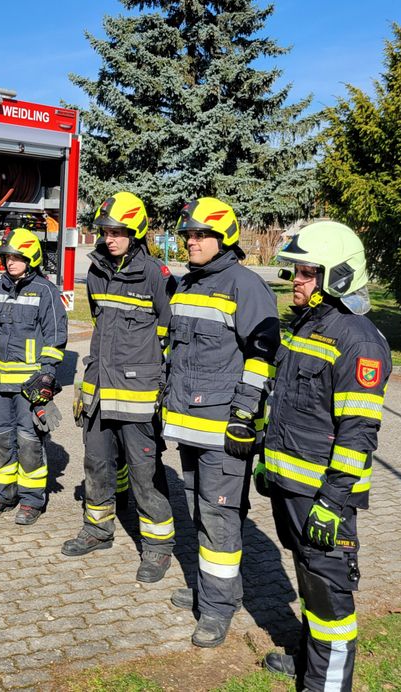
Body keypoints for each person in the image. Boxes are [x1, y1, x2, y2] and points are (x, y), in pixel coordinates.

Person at [257, 221, 390, 692]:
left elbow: (358, 435)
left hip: (322, 498)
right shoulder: (305, 325)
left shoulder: (359, 341)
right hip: (289, 487)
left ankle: (325, 686)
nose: (296, 279)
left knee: (331, 600)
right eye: (298, 271)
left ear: (337, 277)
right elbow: (287, 403)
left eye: (308, 272)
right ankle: (310, 664)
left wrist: (333, 503)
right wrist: (267, 460)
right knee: (310, 585)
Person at [161, 197, 280, 647]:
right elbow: (178, 353)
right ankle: (215, 590)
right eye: (188, 235)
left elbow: (263, 354)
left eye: (201, 235)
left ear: (223, 239)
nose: (191, 241)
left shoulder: (245, 286)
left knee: (220, 518)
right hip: (189, 425)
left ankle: (215, 610)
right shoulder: (190, 285)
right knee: (200, 512)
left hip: (224, 432)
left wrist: (246, 412)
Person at [61, 192, 177, 583]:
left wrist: (159, 386)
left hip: (139, 394)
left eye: (118, 232)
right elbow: (100, 322)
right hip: (99, 388)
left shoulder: (155, 276)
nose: (109, 238)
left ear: (137, 232)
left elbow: (168, 333)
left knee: (145, 474)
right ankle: (98, 530)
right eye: (106, 231)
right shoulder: (95, 272)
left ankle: (158, 548)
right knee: (96, 464)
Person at [0, 228, 68, 526]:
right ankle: (2, 494)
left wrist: (47, 376)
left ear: (32, 258)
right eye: (7, 257)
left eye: (17, 257)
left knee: (29, 441)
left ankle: (31, 499)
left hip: (29, 385)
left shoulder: (46, 292)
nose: (10, 263)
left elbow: (55, 337)